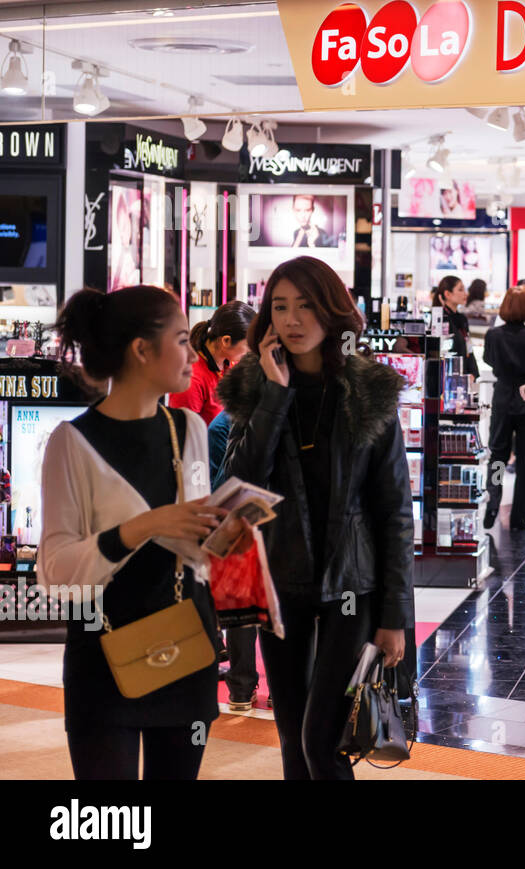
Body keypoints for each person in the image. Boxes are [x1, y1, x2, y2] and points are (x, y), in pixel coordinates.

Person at [219, 256, 414, 780]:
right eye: (280, 307)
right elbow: (238, 484)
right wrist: (274, 396)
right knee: (290, 735)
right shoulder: (252, 388)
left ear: (332, 311)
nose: (292, 319)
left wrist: (396, 617)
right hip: (279, 584)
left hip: (354, 584)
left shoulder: (368, 390)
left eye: (306, 306)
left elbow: (395, 509)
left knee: (320, 739)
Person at [40, 286, 229, 779]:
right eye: (183, 340)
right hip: (102, 655)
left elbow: (195, 551)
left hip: (186, 647)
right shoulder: (71, 442)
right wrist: (143, 526)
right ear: (142, 350)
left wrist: (226, 533)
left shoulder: (189, 428)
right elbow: (56, 571)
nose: (192, 353)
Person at [168, 300, 260, 711]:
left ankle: (234, 678)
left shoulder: (225, 372)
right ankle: (228, 679)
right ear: (225, 342)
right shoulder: (194, 383)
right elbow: (183, 446)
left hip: (219, 488)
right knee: (218, 587)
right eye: (246, 347)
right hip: (202, 492)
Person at [483, 286, 525, 531]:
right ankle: (520, 515)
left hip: (502, 397)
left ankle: (493, 504)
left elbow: (488, 360)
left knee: (497, 456)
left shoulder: (493, 335)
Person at [169, 301, 254, 425]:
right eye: (248, 345)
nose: (251, 351)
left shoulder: (230, 364)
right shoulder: (192, 380)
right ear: (226, 341)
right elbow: (184, 434)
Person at [433, 274, 479, 377]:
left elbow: (468, 348)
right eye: (460, 290)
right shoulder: (440, 319)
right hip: (447, 374)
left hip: (464, 374)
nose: (465, 294)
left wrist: (472, 373)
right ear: (448, 294)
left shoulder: (461, 319)